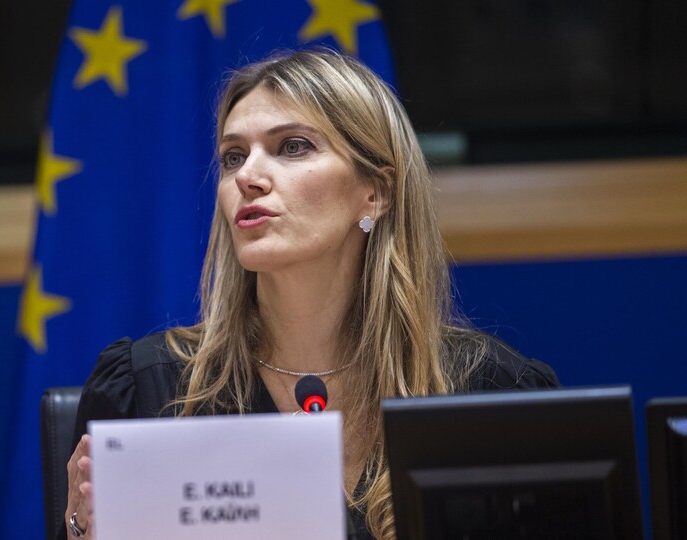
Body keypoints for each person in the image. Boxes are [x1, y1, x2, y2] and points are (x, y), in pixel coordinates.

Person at [59, 48, 559, 540]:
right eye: (233, 157)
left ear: (376, 192)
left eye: (292, 146)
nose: (248, 177)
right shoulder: (152, 390)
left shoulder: (489, 394)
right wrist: (83, 533)